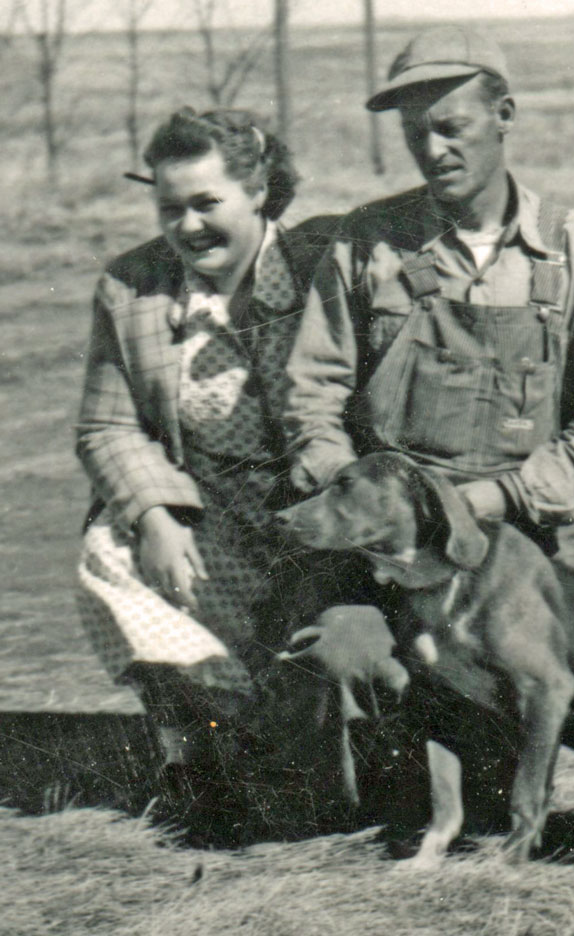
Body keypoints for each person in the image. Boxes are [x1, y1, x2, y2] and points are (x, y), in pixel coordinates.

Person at [284, 25, 574, 558]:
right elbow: (312, 390)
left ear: (504, 115)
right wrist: (358, 495)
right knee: (343, 644)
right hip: (376, 543)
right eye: (415, 133)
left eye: (452, 128)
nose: (433, 151)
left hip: (509, 537)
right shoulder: (370, 240)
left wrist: (503, 496)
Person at [75, 108, 337, 811]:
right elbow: (106, 426)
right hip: (204, 512)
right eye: (170, 209)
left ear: (258, 189)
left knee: (321, 715)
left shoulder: (322, 269)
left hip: (306, 517)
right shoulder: (133, 287)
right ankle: (190, 753)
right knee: (112, 547)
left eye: (205, 204)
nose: (188, 227)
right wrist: (157, 515)